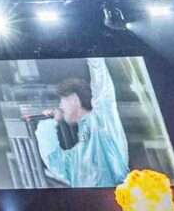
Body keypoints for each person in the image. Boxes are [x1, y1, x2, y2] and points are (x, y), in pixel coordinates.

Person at [31, 58, 128, 189]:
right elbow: (57, 163)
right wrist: (49, 123)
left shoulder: (102, 122)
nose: (60, 106)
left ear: (74, 99)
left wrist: (95, 59)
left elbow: (104, 93)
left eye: (62, 100)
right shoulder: (79, 152)